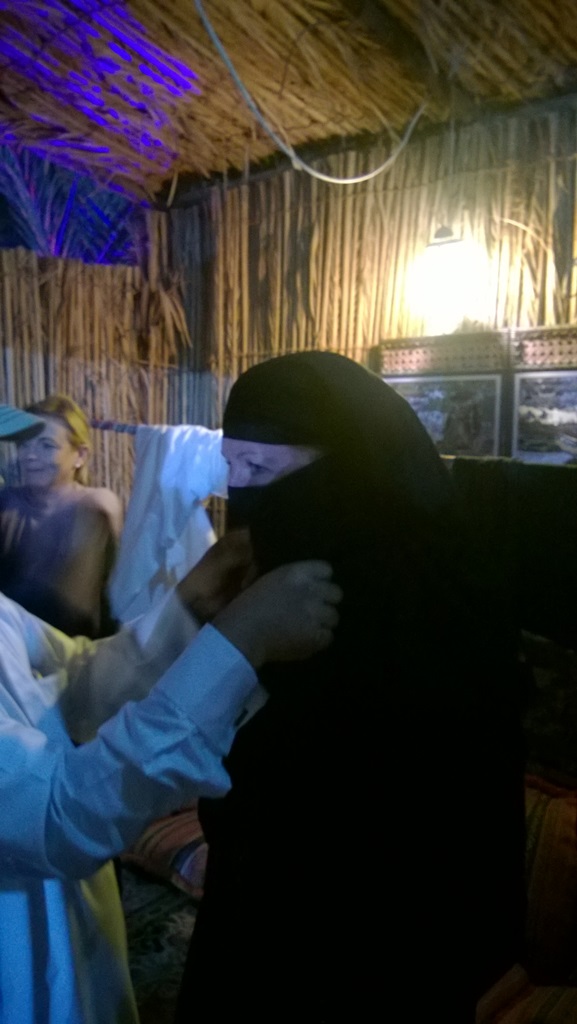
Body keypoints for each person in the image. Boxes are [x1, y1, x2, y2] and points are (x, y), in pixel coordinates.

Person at [175, 351, 526, 1023]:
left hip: (386, 924)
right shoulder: (271, 569)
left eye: (261, 469)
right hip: (265, 911)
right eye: (231, 466)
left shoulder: (427, 598)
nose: (239, 491)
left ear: (343, 470)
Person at [0, 402, 342, 1024]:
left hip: (61, 930)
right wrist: (236, 645)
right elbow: (57, 813)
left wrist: (186, 608)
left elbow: (71, 683)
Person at [0, 394, 123, 637]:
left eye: (47, 446)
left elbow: (69, 608)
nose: (30, 455)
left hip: (74, 648)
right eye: (24, 444)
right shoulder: (7, 504)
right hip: (11, 643)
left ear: (80, 455)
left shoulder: (95, 506)